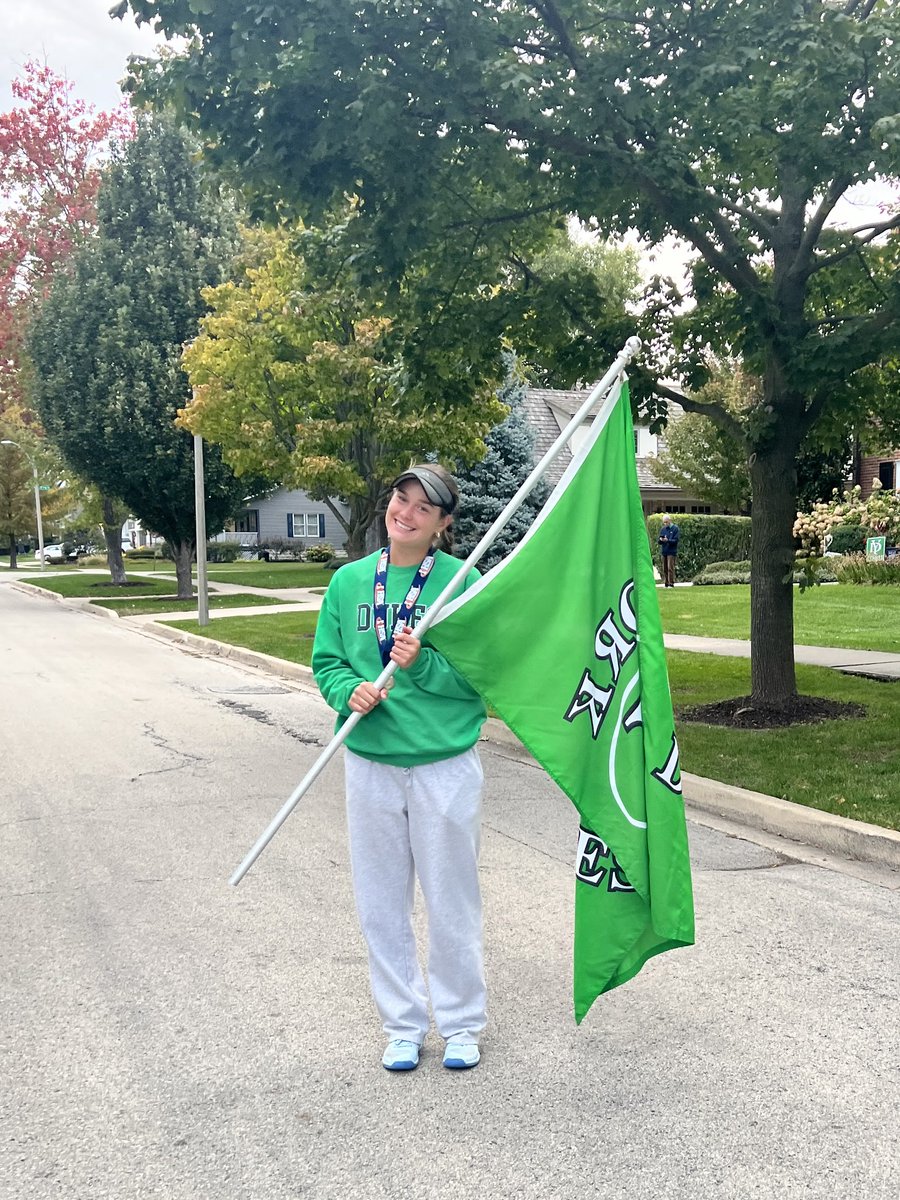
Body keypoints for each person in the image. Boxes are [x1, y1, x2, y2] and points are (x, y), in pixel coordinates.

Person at [311, 464, 488, 1073]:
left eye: (422, 507)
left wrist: (423, 666)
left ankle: (462, 1022)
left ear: (442, 524)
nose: (404, 512)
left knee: (451, 899)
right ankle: (403, 1025)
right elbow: (327, 661)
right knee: (381, 901)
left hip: (444, 765)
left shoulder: (463, 582)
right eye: (399, 498)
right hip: (371, 763)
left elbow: (480, 678)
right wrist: (348, 692)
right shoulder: (350, 581)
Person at [658, 514, 680, 586]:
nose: (665, 524)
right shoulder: (663, 529)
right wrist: (661, 540)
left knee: (670, 568)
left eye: (666, 522)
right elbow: (659, 541)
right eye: (664, 522)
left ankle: (671, 582)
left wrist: (668, 540)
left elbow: (675, 541)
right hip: (664, 551)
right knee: (665, 568)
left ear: (670, 521)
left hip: (671, 551)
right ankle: (666, 582)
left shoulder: (675, 528)